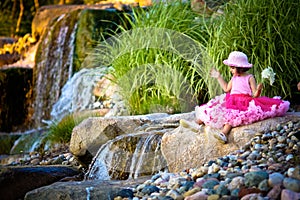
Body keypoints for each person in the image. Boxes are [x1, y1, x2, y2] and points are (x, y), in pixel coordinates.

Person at [180, 51, 290, 143]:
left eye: (232, 68)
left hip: (243, 102)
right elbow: (226, 89)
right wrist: (218, 77)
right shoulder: (234, 78)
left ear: (239, 68)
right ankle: (196, 124)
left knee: (231, 117)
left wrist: (259, 89)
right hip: (231, 99)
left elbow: (254, 95)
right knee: (212, 109)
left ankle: (223, 134)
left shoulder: (249, 77)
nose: (231, 70)